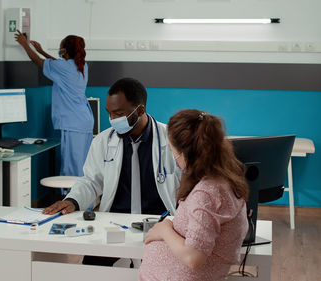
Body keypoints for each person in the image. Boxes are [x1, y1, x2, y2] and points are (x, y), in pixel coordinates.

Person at [43, 77, 182, 266]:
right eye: (109, 114)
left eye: (118, 114)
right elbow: (91, 181)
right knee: (92, 268)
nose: (112, 120)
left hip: (159, 223)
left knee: (166, 268)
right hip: (114, 223)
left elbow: (188, 184)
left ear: (140, 110)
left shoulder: (172, 139)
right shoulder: (102, 141)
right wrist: (72, 200)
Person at [139, 109, 249, 281]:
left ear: (183, 154)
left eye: (172, 149)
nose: (173, 156)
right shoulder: (220, 181)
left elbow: (193, 257)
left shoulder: (207, 192)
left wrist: (164, 230)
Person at [15, 31, 93, 177]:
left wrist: (24, 43)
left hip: (73, 123)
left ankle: (73, 199)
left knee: (72, 169)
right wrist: (41, 51)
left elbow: (37, 61)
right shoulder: (82, 66)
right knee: (82, 165)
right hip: (83, 121)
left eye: (60, 47)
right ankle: (84, 199)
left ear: (64, 50)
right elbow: (55, 65)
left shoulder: (64, 67)